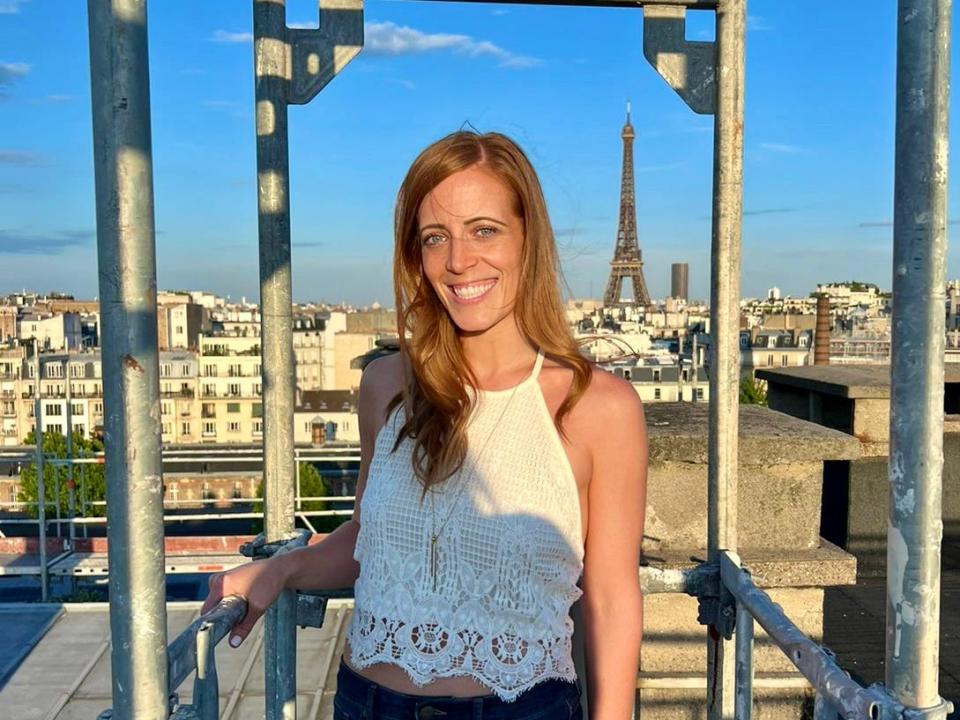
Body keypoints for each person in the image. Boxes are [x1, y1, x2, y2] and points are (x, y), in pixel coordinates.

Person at [202, 130, 647, 720]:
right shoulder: (386, 386)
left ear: (528, 239)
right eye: (435, 237)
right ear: (415, 254)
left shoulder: (600, 407)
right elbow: (368, 543)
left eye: (484, 230)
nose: (460, 261)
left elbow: (612, 602)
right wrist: (282, 567)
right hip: (367, 704)